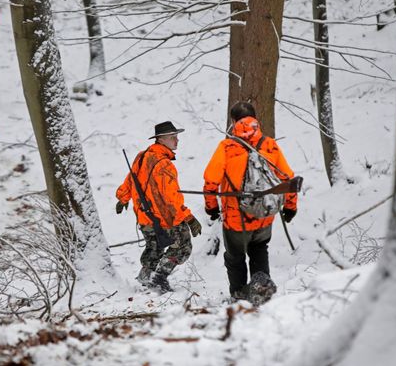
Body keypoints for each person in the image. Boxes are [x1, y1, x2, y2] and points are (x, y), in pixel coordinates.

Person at [203, 102, 298, 302]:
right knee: (259, 249)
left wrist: (211, 207)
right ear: (256, 120)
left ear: (233, 122)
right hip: (265, 214)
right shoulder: (270, 145)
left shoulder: (227, 147)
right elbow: (288, 179)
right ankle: (262, 290)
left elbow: (211, 181)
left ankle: (239, 297)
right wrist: (290, 207)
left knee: (235, 258)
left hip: (237, 218)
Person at [116, 121, 202, 293]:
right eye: (173, 137)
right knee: (183, 247)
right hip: (163, 218)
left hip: (144, 217)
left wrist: (123, 198)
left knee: (154, 247)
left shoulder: (141, 156)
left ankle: (145, 276)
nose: (177, 141)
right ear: (161, 140)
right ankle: (158, 279)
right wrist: (189, 218)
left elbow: (130, 178)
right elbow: (171, 199)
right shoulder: (164, 164)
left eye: (177, 137)